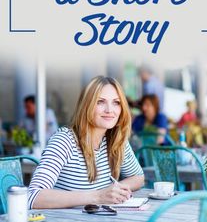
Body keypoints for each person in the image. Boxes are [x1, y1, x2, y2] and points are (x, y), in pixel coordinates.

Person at [28, 76, 144, 209]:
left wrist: (115, 191)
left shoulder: (117, 140)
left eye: (116, 102)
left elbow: (138, 177)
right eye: (100, 102)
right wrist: (99, 196)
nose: (109, 110)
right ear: (87, 105)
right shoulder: (64, 140)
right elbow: (33, 196)